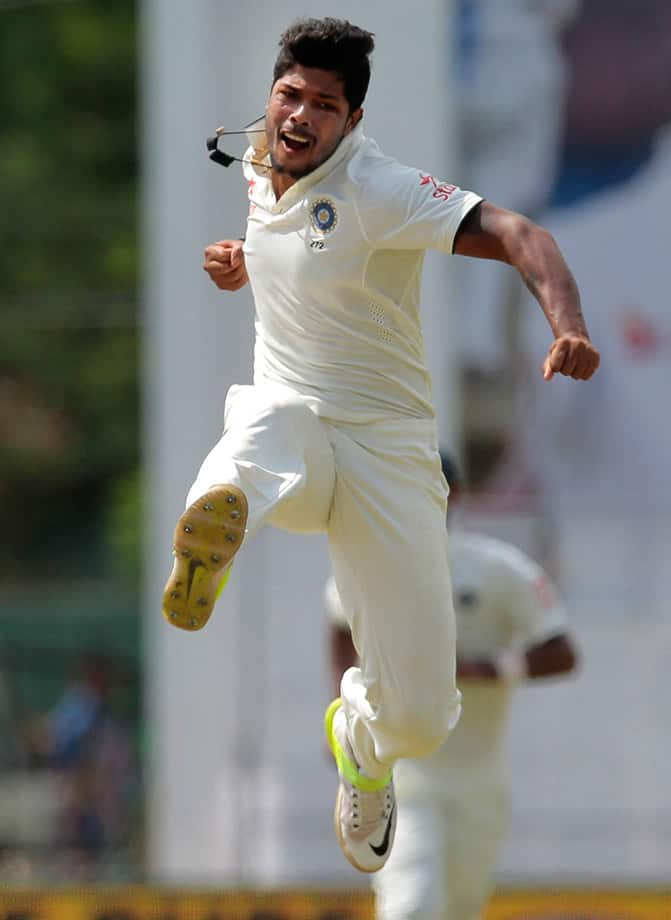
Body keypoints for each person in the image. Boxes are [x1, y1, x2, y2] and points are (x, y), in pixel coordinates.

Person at [161, 17, 599, 873]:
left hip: (385, 455)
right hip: (296, 435)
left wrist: (569, 327)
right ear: (271, 95)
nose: (300, 115)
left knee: (425, 716)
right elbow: (301, 250)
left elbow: (522, 235)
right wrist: (244, 259)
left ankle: (360, 734)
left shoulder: (379, 187)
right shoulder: (259, 162)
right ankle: (213, 520)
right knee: (264, 424)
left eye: (324, 105)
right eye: (290, 94)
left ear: (351, 122)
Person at [327, 451, 578, 918]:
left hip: (479, 781)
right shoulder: (376, 561)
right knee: (412, 906)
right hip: (402, 779)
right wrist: (342, 714)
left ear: (453, 494)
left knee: (460, 909)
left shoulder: (497, 568)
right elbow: (340, 622)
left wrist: (488, 670)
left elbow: (561, 652)